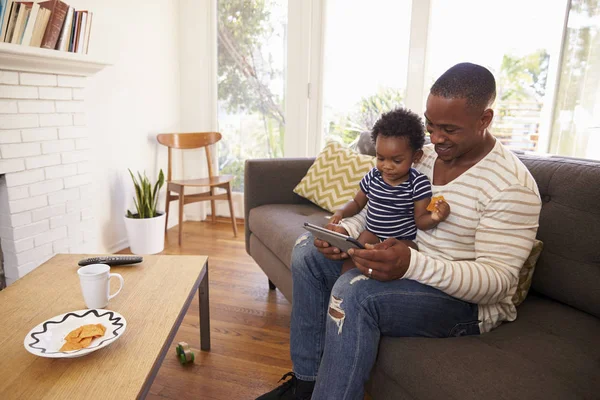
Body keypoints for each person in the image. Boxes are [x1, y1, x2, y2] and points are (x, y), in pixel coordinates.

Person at [256, 62, 542, 400]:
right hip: (407, 264)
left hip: (462, 303)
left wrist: (411, 264)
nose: (435, 139)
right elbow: (378, 206)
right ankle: (306, 383)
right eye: (430, 124)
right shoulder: (421, 157)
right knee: (308, 249)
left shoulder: (511, 186)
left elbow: (497, 283)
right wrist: (343, 231)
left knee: (354, 292)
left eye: (448, 129)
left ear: (484, 119)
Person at [329, 108, 450, 274]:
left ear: (416, 157)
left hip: (401, 241)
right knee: (357, 252)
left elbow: (421, 220)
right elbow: (357, 203)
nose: (387, 166)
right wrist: (341, 212)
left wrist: (436, 217)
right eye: (381, 158)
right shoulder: (373, 176)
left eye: (397, 160)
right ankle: (343, 287)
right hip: (372, 234)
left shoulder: (418, 183)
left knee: (409, 250)